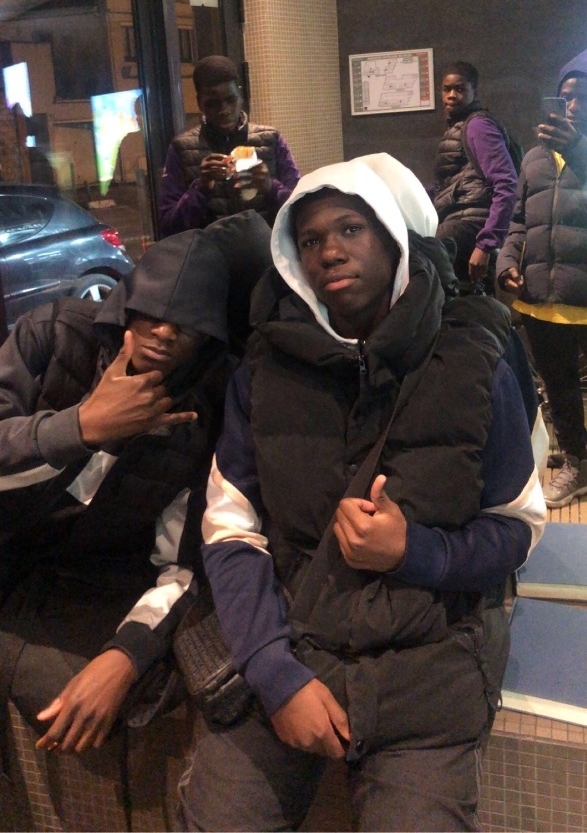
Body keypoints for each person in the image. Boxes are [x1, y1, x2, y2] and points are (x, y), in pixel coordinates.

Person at [177, 154, 546, 832]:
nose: (329, 251)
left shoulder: (476, 357)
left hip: (429, 669)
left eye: (350, 229)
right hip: (294, 644)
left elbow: (517, 525)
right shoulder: (264, 369)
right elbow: (229, 528)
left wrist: (414, 551)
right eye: (310, 239)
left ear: (393, 238)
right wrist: (273, 671)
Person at [0, 211, 271, 755]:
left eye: (188, 324)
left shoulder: (208, 410)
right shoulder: (53, 336)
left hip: (91, 586)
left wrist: (126, 655)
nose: (165, 332)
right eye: (151, 314)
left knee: (135, 697)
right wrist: (81, 428)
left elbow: (184, 561)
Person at [497, 70, 587, 507]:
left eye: (583, 98)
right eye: (566, 98)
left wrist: (578, 150)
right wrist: (506, 262)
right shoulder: (533, 158)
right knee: (560, 387)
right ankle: (578, 461)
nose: (573, 106)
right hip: (541, 300)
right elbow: (518, 221)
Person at [158, 55, 300, 235]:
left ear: (240, 95)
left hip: (267, 250)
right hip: (209, 252)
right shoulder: (181, 148)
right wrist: (201, 187)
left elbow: (302, 210)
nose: (224, 110)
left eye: (231, 100)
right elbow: (167, 227)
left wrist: (271, 188)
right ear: (199, 103)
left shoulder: (271, 140)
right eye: (213, 104)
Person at [432, 61, 518, 292]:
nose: (452, 95)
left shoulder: (479, 126)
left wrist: (486, 244)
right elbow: (452, 182)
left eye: (460, 89)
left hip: (471, 224)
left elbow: (506, 183)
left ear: (474, 92)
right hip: (459, 220)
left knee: (423, 260)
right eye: (446, 89)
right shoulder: (459, 126)